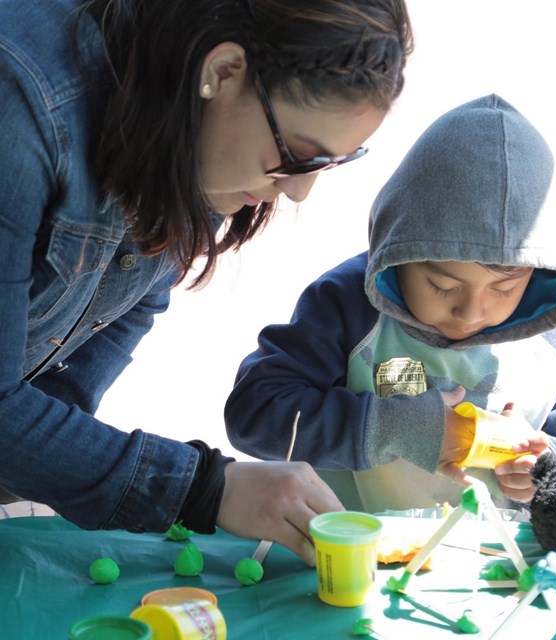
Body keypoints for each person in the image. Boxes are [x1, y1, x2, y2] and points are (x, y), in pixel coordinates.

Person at [0, 0, 414, 566]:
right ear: (222, 72)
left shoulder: (203, 129)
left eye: (326, 166)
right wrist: (206, 488)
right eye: (296, 157)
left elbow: (130, 298)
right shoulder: (20, 100)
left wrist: (40, 459)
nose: (296, 192)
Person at [225, 94, 556, 514]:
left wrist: (550, 466)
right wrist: (395, 427)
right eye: (442, 285)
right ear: (397, 256)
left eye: (503, 289)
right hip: (350, 558)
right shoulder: (348, 305)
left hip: (504, 570)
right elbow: (254, 415)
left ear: (536, 274)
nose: (471, 313)